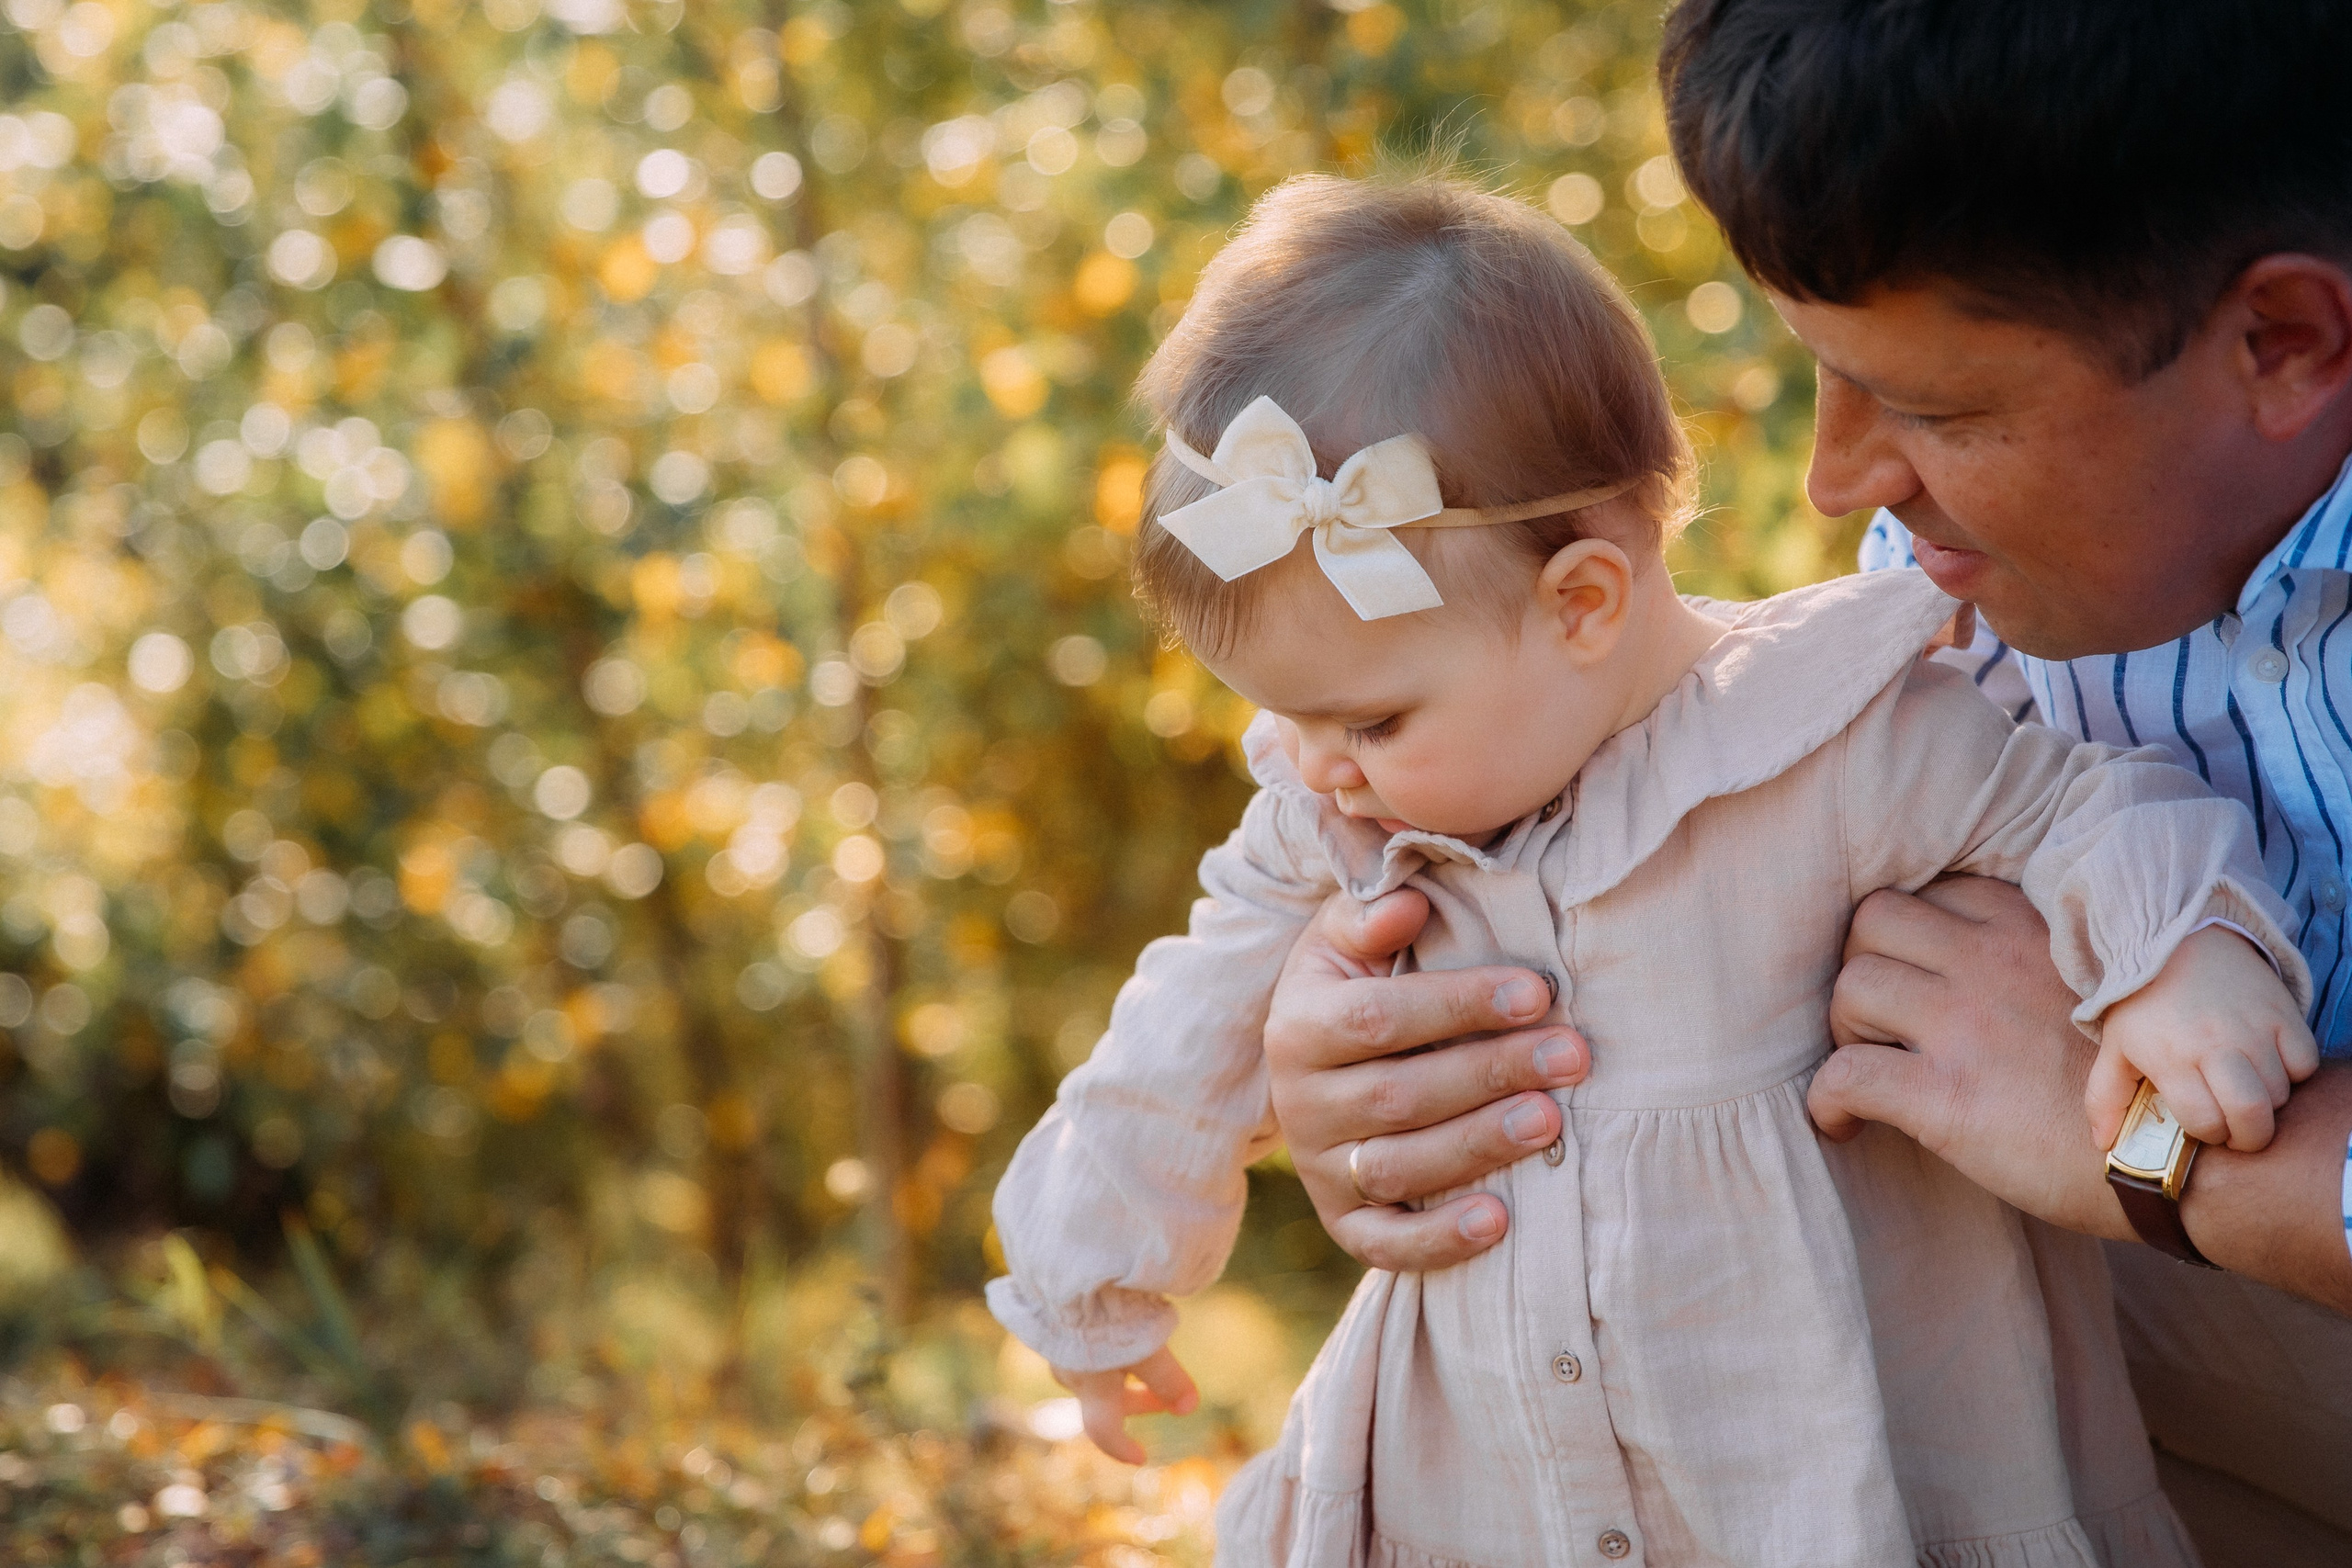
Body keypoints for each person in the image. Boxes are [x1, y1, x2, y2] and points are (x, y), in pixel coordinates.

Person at [985, 169, 2315, 1565]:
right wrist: (1095, 1275)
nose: (1316, 761)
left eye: (1370, 719)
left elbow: (2078, 806)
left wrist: (2176, 959)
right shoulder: (1341, 823)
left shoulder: (1828, 740)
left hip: (1833, 1478)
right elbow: (1175, 1038)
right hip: (1496, 1498)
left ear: (1584, 604)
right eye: (1287, 715)